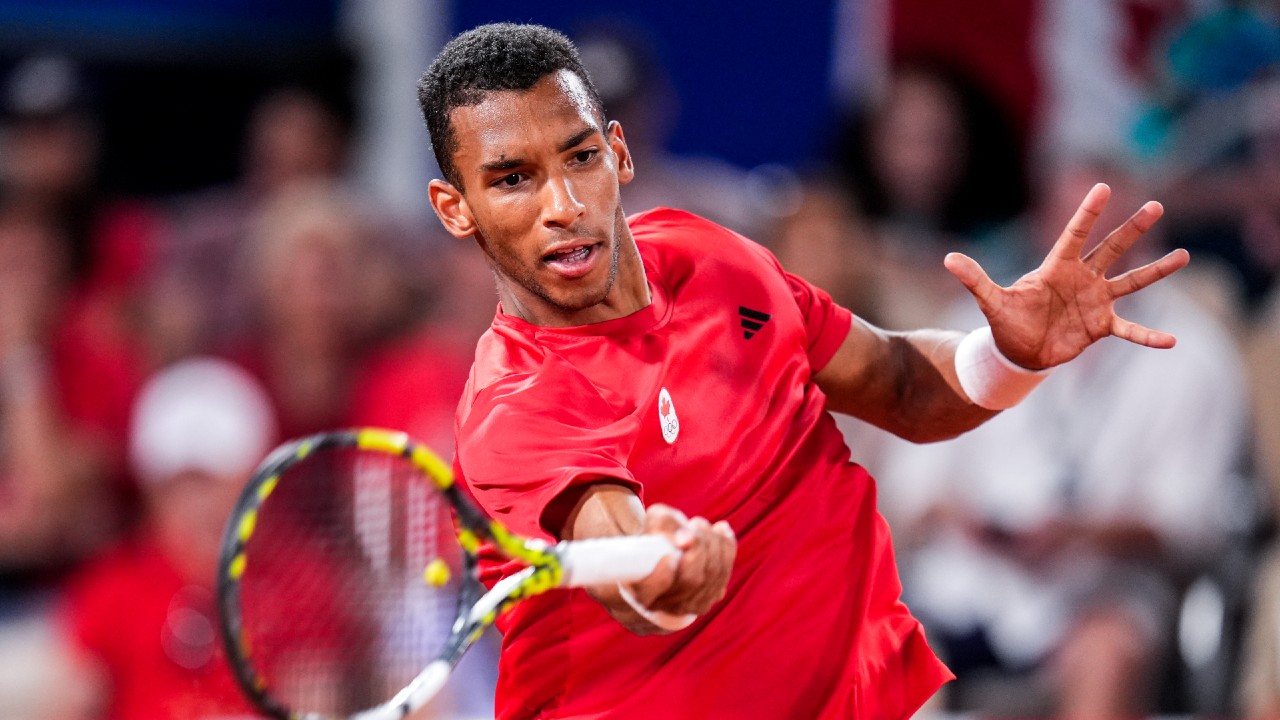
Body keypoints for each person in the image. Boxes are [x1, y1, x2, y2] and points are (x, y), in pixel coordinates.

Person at [416, 23, 1189, 719]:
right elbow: (618, 554)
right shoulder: (513, 408)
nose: (561, 204)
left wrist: (1009, 354)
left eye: (579, 158)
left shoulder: (708, 257)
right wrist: (662, 562)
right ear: (456, 209)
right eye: (512, 179)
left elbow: (901, 385)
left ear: (618, 154)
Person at [54, 357, 277, 720]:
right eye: (178, 486)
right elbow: (73, 705)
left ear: (253, 484)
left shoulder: (301, 587)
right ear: (152, 496)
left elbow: (316, 701)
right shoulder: (110, 589)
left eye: (212, 482)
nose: (198, 506)